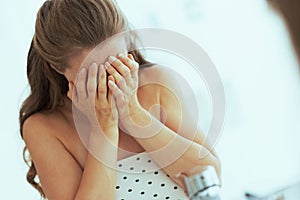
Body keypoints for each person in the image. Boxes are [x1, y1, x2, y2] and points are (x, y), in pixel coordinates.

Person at [19, 0, 221, 199]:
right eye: (95, 74)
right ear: (59, 68)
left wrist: (132, 114)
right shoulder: (45, 128)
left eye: (118, 64)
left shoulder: (158, 83)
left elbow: (209, 177)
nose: (112, 80)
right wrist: (103, 129)